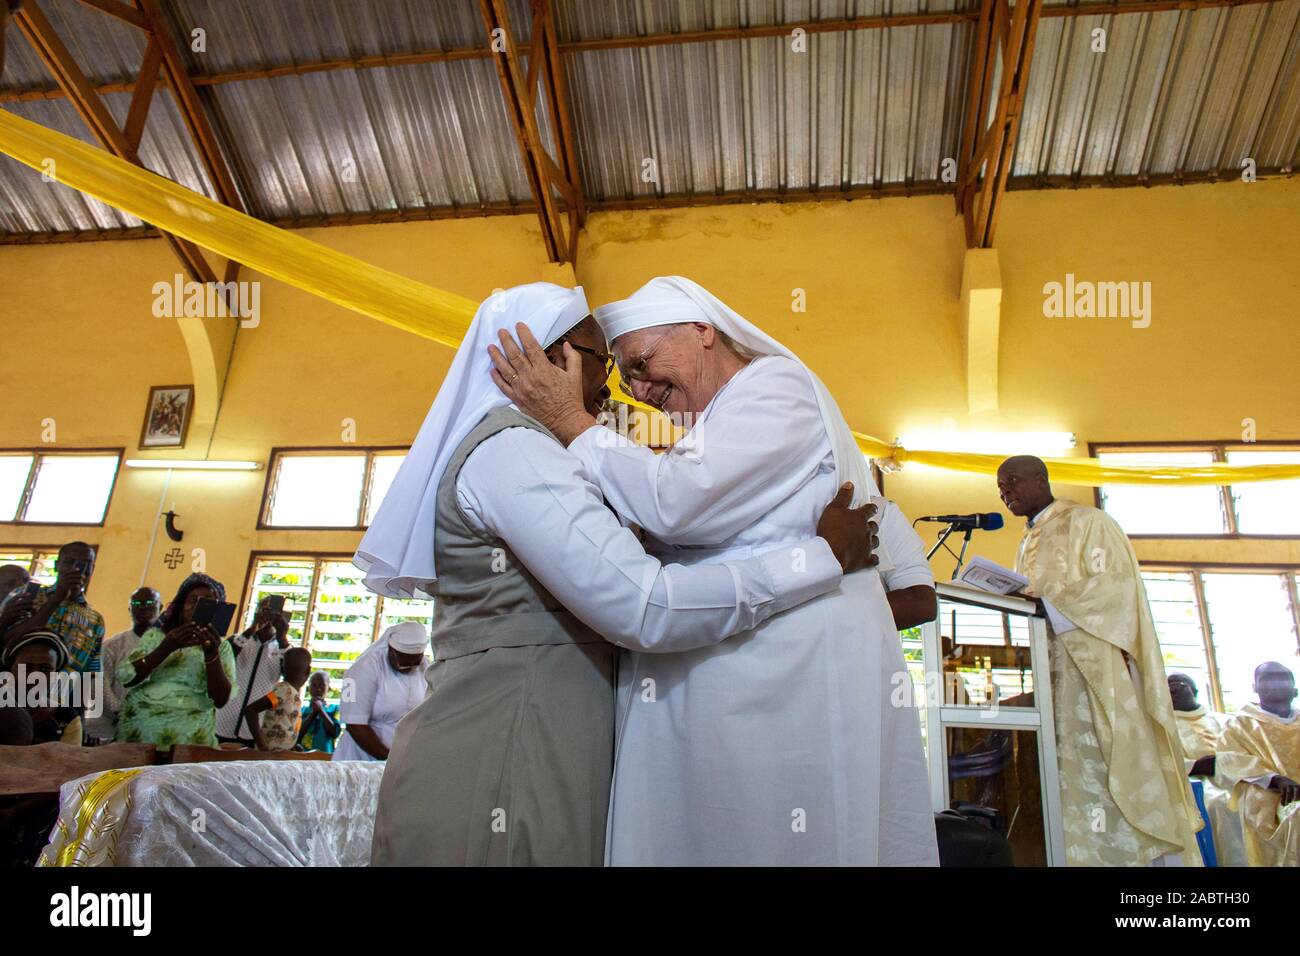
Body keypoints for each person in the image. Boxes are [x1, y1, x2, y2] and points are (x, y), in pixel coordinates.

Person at [358, 282, 878, 866]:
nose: (617, 390)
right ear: (547, 359)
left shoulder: (545, 453)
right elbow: (647, 606)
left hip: (539, 750)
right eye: (605, 364)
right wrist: (818, 558)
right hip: (504, 751)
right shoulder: (514, 453)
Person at [491, 276, 934, 866]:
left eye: (644, 364)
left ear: (703, 330)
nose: (642, 391)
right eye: (628, 378)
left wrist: (569, 419)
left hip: (784, 685)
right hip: (732, 684)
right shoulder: (711, 423)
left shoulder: (776, 386)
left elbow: (677, 503)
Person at [996, 455, 1202, 866]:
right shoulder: (1028, 538)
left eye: (1013, 482)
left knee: (1111, 773)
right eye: (1001, 488)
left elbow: (1116, 591)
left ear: (1042, 479)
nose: (1006, 493)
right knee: (1067, 781)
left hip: (1097, 673)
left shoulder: (1089, 522)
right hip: (1052, 676)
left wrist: (1044, 606)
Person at [116, 573, 235, 750]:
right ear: (180, 606)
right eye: (192, 600)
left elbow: (220, 699)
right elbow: (126, 677)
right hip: (142, 732)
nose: (197, 606)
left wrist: (211, 654)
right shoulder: (156, 636)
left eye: (207, 602)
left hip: (191, 738)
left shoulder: (222, 647)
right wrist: (167, 647)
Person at [1215, 662, 1300, 866]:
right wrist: (1275, 780)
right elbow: (1230, 761)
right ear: (1255, 688)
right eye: (1268, 678)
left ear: (1295, 688)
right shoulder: (1239, 724)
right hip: (1271, 796)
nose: (1276, 683)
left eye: (1282, 678)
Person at [1168, 673, 1246, 867]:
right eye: (1167, 686)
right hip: (1199, 781)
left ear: (1194, 691)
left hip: (1237, 776)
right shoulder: (1164, 727)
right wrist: (1194, 765)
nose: (1172, 688)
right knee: (1218, 804)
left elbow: (1247, 752)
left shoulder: (1225, 721)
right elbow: (1163, 759)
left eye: (1179, 684)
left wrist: (1226, 762)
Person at [0, 542, 104, 678]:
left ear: (92, 569)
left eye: (85, 564)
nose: (77, 569)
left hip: (62, 697)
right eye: (70, 562)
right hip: (15, 692)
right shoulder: (26, 595)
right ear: (57, 565)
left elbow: (92, 673)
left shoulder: (95, 620)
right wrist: (57, 598)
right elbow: (9, 641)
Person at [332, 621, 429, 763]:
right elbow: (354, 724)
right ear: (392, 649)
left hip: (401, 759)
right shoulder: (362, 668)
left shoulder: (424, 667)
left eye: (415, 662)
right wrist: (389, 759)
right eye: (404, 662)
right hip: (361, 757)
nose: (410, 667)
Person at [84, 587, 160, 743]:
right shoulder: (113, 645)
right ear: (130, 608)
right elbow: (99, 682)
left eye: (150, 602)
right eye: (137, 603)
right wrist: (120, 711)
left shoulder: (166, 646)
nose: (143, 607)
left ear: (161, 607)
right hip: (109, 727)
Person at [216, 596, 289, 744]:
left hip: (253, 728)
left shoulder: (282, 648)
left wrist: (282, 637)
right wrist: (253, 627)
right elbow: (226, 657)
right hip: (222, 722)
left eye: (274, 613)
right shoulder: (238, 640)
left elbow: (289, 676)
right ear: (257, 612)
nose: (268, 617)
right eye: (264, 611)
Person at [0, 629, 77, 744]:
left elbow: (70, 760)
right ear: (11, 668)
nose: (35, 676)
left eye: (45, 669)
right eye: (26, 667)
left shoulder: (66, 718)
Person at [244, 647, 312, 751]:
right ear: (308, 671)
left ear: (283, 668)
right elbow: (250, 710)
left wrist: (292, 745)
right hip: (269, 757)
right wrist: (262, 746)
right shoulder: (283, 691)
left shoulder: (293, 694)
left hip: (280, 757)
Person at [296, 670, 340, 754]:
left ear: (328, 688)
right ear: (309, 688)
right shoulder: (302, 710)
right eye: (314, 685)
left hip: (326, 756)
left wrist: (321, 710)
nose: (318, 689)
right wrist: (313, 713)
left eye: (322, 685)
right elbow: (297, 735)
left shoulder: (334, 709)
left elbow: (335, 733)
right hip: (303, 755)